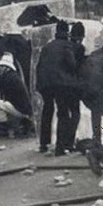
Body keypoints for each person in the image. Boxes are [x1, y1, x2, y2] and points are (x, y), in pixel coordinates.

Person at [36, 20, 79, 155]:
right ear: (67, 33)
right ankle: (60, 147)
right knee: (63, 112)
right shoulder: (67, 46)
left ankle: (44, 143)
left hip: (45, 84)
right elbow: (72, 64)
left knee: (47, 111)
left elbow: (39, 65)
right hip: (60, 83)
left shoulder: (47, 47)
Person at [0, 52, 33, 137]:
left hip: (20, 110)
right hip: (21, 108)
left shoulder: (9, 78)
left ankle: (3, 126)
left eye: (1, 67)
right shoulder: (12, 76)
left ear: (6, 68)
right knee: (3, 104)